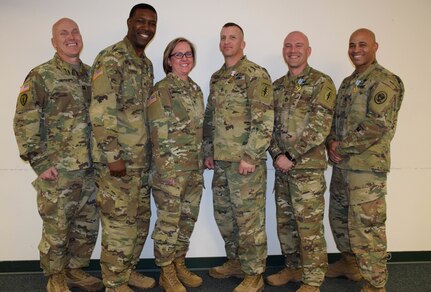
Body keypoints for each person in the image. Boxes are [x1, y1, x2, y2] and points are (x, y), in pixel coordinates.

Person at [13, 18, 102, 292]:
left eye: (75, 31)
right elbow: (24, 119)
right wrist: (40, 162)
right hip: (59, 170)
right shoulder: (41, 75)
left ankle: (75, 270)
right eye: (63, 33)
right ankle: (55, 276)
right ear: (54, 41)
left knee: (87, 225)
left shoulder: (93, 76)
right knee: (57, 227)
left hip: (91, 168)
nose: (71, 37)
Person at [325, 28, 404, 292]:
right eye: (352, 45)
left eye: (362, 44)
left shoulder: (384, 81)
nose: (356, 49)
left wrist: (342, 147)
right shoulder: (349, 82)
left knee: (367, 229)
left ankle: (376, 282)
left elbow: (376, 125)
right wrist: (331, 144)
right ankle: (351, 265)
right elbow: (336, 120)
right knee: (339, 220)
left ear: (374, 47)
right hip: (343, 167)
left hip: (366, 170)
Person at [89, 3, 157, 291]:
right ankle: (114, 282)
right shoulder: (112, 58)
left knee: (140, 220)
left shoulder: (146, 64)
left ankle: (126, 270)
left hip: (141, 161)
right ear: (129, 22)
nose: (146, 27)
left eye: (151, 23)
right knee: (119, 224)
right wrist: (113, 156)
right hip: (117, 162)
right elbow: (101, 111)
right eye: (140, 21)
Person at [203, 22, 274, 292]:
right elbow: (210, 118)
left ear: (242, 43)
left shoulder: (255, 74)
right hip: (221, 162)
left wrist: (251, 155)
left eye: (232, 37)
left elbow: (265, 118)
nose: (226, 41)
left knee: (249, 221)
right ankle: (235, 261)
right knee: (225, 217)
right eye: (223, 37)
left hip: (246, 164)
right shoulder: (217, 77)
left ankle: (254, 274)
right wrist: (209, 151)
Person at [266, 31, 336, 292]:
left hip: (307, 170)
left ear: (309, 50)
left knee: (309, 228)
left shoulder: (321, 83)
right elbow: (267, 127)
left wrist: (291, 156)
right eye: (288, 45)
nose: (292, 50)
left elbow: (320, 126)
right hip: (282, 169)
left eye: (298, 46)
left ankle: (313, 280)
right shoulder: (275, 87)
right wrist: (276, 155)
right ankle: (293, 268)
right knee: (286, 224)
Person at [148, 37, 204, 292]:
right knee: (169, 223)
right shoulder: (161, 90)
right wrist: (166, 171)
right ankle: (166, 271)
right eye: (178, 54)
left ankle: (179, 262)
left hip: (193, 170)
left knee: (186, 221)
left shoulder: (195, 90)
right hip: (170, 172)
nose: (184, 58)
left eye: (188, 54)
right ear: (168, 60)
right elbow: (157, 133)